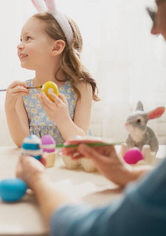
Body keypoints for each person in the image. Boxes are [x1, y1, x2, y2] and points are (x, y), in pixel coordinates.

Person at [16, 0, 166, 236]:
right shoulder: (23, 89)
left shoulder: (79, 86)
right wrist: (129, 173)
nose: (154, 29)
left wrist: (38, 180)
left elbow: (94, 231)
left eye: (157, 7)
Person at [5, 12, 99, 147]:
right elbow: (23, 142)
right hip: (40, 162)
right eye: (21, 39)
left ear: (56, 47)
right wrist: (10, 109)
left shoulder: (81, 87)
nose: (19, 45)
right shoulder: (23, 91)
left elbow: (80, 142)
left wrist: (62, 118)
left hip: (70, 163)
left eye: (28, 38)